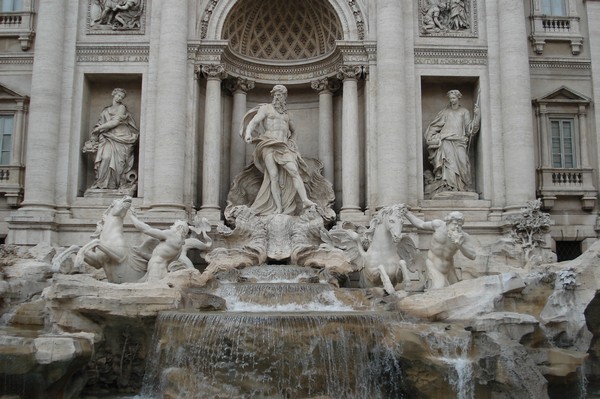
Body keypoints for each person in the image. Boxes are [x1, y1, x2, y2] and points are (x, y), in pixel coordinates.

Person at [241, 85, 317, 215]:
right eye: (275, 94)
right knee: (273, 176)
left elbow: (294, 131)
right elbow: (253, 122)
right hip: (268, 144)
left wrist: (292, 141)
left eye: (280, 95)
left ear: (284, 97)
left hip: (283, 146)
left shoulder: (287, 115)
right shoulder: (266, 109)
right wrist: (248, 133)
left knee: (294, 171)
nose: (277, 97)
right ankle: (278, 207)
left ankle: (305, 200)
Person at [424, 89, 479, 194]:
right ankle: (449, 187)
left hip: (460, 141)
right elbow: (435, 126)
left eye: (453, 98)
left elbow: (470, 130)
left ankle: (464, 186)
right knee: (449, 163)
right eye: (450, 98)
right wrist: (431, 136)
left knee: (463, 163)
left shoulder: (464, 112)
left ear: (458, 98)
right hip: (446, 140)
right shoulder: (445, 112)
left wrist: (477, 116)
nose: (452, 100)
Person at [405, 210, 477, 289]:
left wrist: (460, 245)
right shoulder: (438, 225)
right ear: (448, 222)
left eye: (459, 225)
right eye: (454, 224)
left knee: (455, 291)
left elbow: (472, 256)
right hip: (433, 264)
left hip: (449, 268)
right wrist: (407, 214)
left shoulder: (463, 237)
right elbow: (420, 224)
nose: (457, 227)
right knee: (438, 289)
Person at [85, 88, 139, 190]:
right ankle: (101, 183)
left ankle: (115, 184)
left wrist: (99, 129)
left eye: (122, 97)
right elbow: (100, 122)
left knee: (119, 163)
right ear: (113, 94)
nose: (119, 98)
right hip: (107, 137)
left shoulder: (122, 107)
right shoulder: (105, 110)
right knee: (105, 158)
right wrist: (96, 132)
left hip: (121, 136)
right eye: (118, 95)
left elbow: (115, 122)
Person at [129, 211, 189, 282]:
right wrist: (141, 254)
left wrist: (131, 217)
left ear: (179, 228)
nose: (170, 227)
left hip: (155, 270)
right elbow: (159, 257)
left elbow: (147, 230)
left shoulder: (171, 235)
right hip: (161, 269)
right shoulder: (180, 248)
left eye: (173, 225)